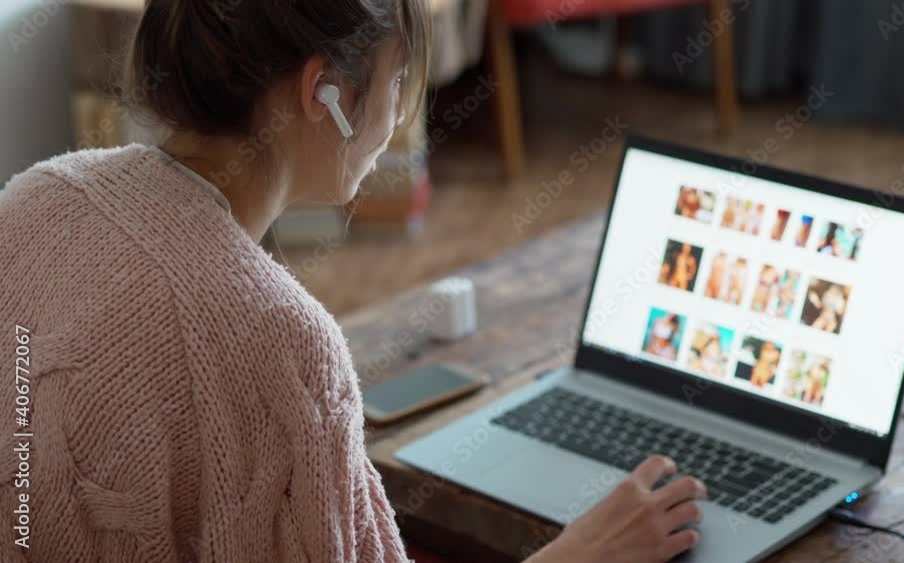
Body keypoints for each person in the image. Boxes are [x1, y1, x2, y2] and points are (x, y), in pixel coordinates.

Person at [0, 1, 706, 562]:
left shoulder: (35, 193)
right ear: (326, 92)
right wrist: (586, 551)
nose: (399, 113)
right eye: (399, 81)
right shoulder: (280, 341)